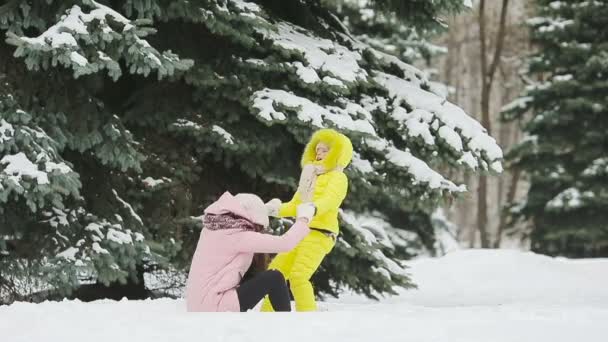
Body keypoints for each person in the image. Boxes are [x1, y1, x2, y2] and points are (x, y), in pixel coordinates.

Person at [262, 128, 352, 311]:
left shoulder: (338, 177)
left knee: (298, 276)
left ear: (337, 153)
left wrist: (314, 207)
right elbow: (295, 206)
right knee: (274, 274)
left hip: (321, 233)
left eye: (325, 150)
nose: (319, 153)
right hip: (299, 231)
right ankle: (266, 317)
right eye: (317, 149)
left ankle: (307, 318)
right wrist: (272, 210)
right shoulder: (309, 178)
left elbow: (331, 199)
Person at [185, 191, 315, 312]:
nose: (258, 230)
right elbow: (285, 243)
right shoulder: (237, 235)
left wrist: (265, 210)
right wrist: (303, 219)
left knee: (260, 276)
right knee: (274, 277)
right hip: (214, 305)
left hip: (198, 303)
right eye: (258, 227)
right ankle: (288, 326)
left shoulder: (214, 229)